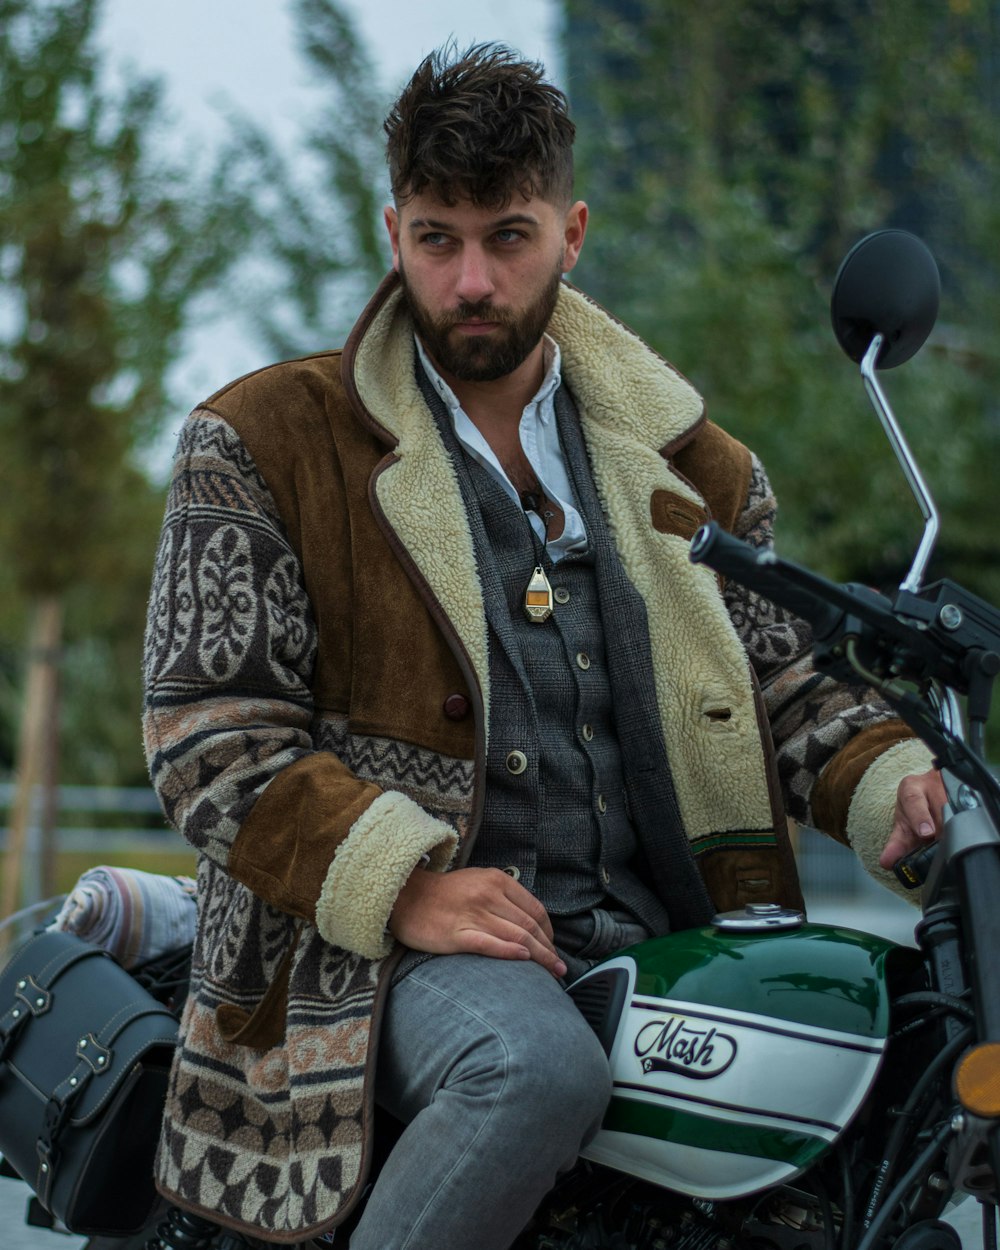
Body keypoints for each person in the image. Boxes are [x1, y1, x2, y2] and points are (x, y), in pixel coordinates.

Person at [142, 42, 945, 1250]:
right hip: (368, 961)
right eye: (436, 238)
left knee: (894, 1069)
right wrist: (403, 883)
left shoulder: (695, 467)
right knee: (532, 1068)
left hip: (669, 939)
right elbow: (206, 732)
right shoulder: (265, 441)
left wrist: (903, 785)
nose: (471, 279)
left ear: (571, 232)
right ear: (392, 228)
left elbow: (782, 679)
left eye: (506, 238)